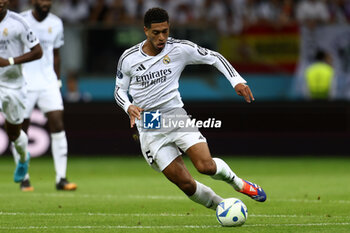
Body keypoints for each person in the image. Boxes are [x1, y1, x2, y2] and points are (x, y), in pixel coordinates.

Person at [114, 7, 266, 211]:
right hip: (149, 126)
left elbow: (215, 57)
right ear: (146, 31)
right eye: (156, 32)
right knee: (185, 184)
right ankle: (223, 207)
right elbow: (118, 92)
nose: (161, 37)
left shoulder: (180, 49)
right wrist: (128, 106)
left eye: (165, 31)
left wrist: (236, 81)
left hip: (174, 116)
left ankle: (239, 184)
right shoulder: (128, 58)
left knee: (206, 166)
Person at [11, 0, 78, 192]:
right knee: (21, 130)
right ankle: (24, 177)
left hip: (48, 82)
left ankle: (61, 178)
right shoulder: (20, 20)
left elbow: (56, 54)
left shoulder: (56, 22)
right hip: (25, 83)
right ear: (33, 1)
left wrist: (57, 80)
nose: (46, 3)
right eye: (42, 0)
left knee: (58, 124)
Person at [0, 0, 42, 185]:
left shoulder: (18, 23)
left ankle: (24, 158)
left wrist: (10, 61)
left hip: (12, 85)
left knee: (14, 134)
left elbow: (38, 51)